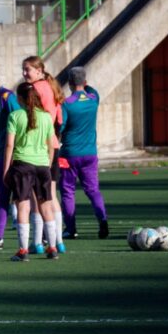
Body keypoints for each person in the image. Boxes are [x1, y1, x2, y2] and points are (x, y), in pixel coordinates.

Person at [3, 82, 60, 261]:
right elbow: (52, 145)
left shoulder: (15, 116)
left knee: (23, 206)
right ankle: (52, 248)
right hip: (42, 166)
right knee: (46, 207)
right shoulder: (45, 117)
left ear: (20, 98)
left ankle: (23, 251)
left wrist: (6, 169)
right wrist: (48, 164)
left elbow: (9, 145)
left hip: (22, 165)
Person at [22, 55, 66, 254]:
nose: (24, 73)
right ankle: (57, 241)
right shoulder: (52, 88)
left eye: (28, 69)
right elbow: (59, 118)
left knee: (35, 198)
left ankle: (38, 242)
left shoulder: (35, 90)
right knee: (50, 195)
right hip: (52, 145)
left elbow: (34, 119)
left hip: (37, 148)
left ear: (39, 71)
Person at [59, 67, 109, 239]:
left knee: (67, 191)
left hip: (69, 154)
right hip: (90, 153)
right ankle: (103, 220)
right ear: (85, 82)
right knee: (93, 190)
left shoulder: (66, 104)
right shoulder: (93, 99)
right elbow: (92, 90)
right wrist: (85, 87)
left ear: (70, 83)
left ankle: (71, 228)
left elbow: (60, 126)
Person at [0, 75, 22, 250]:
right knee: (2, 196)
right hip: (2, 151)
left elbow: (18, 118)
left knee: (23, 197)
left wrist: (13, 144)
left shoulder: (7, 96)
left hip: (13, 154)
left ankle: (42, 236)